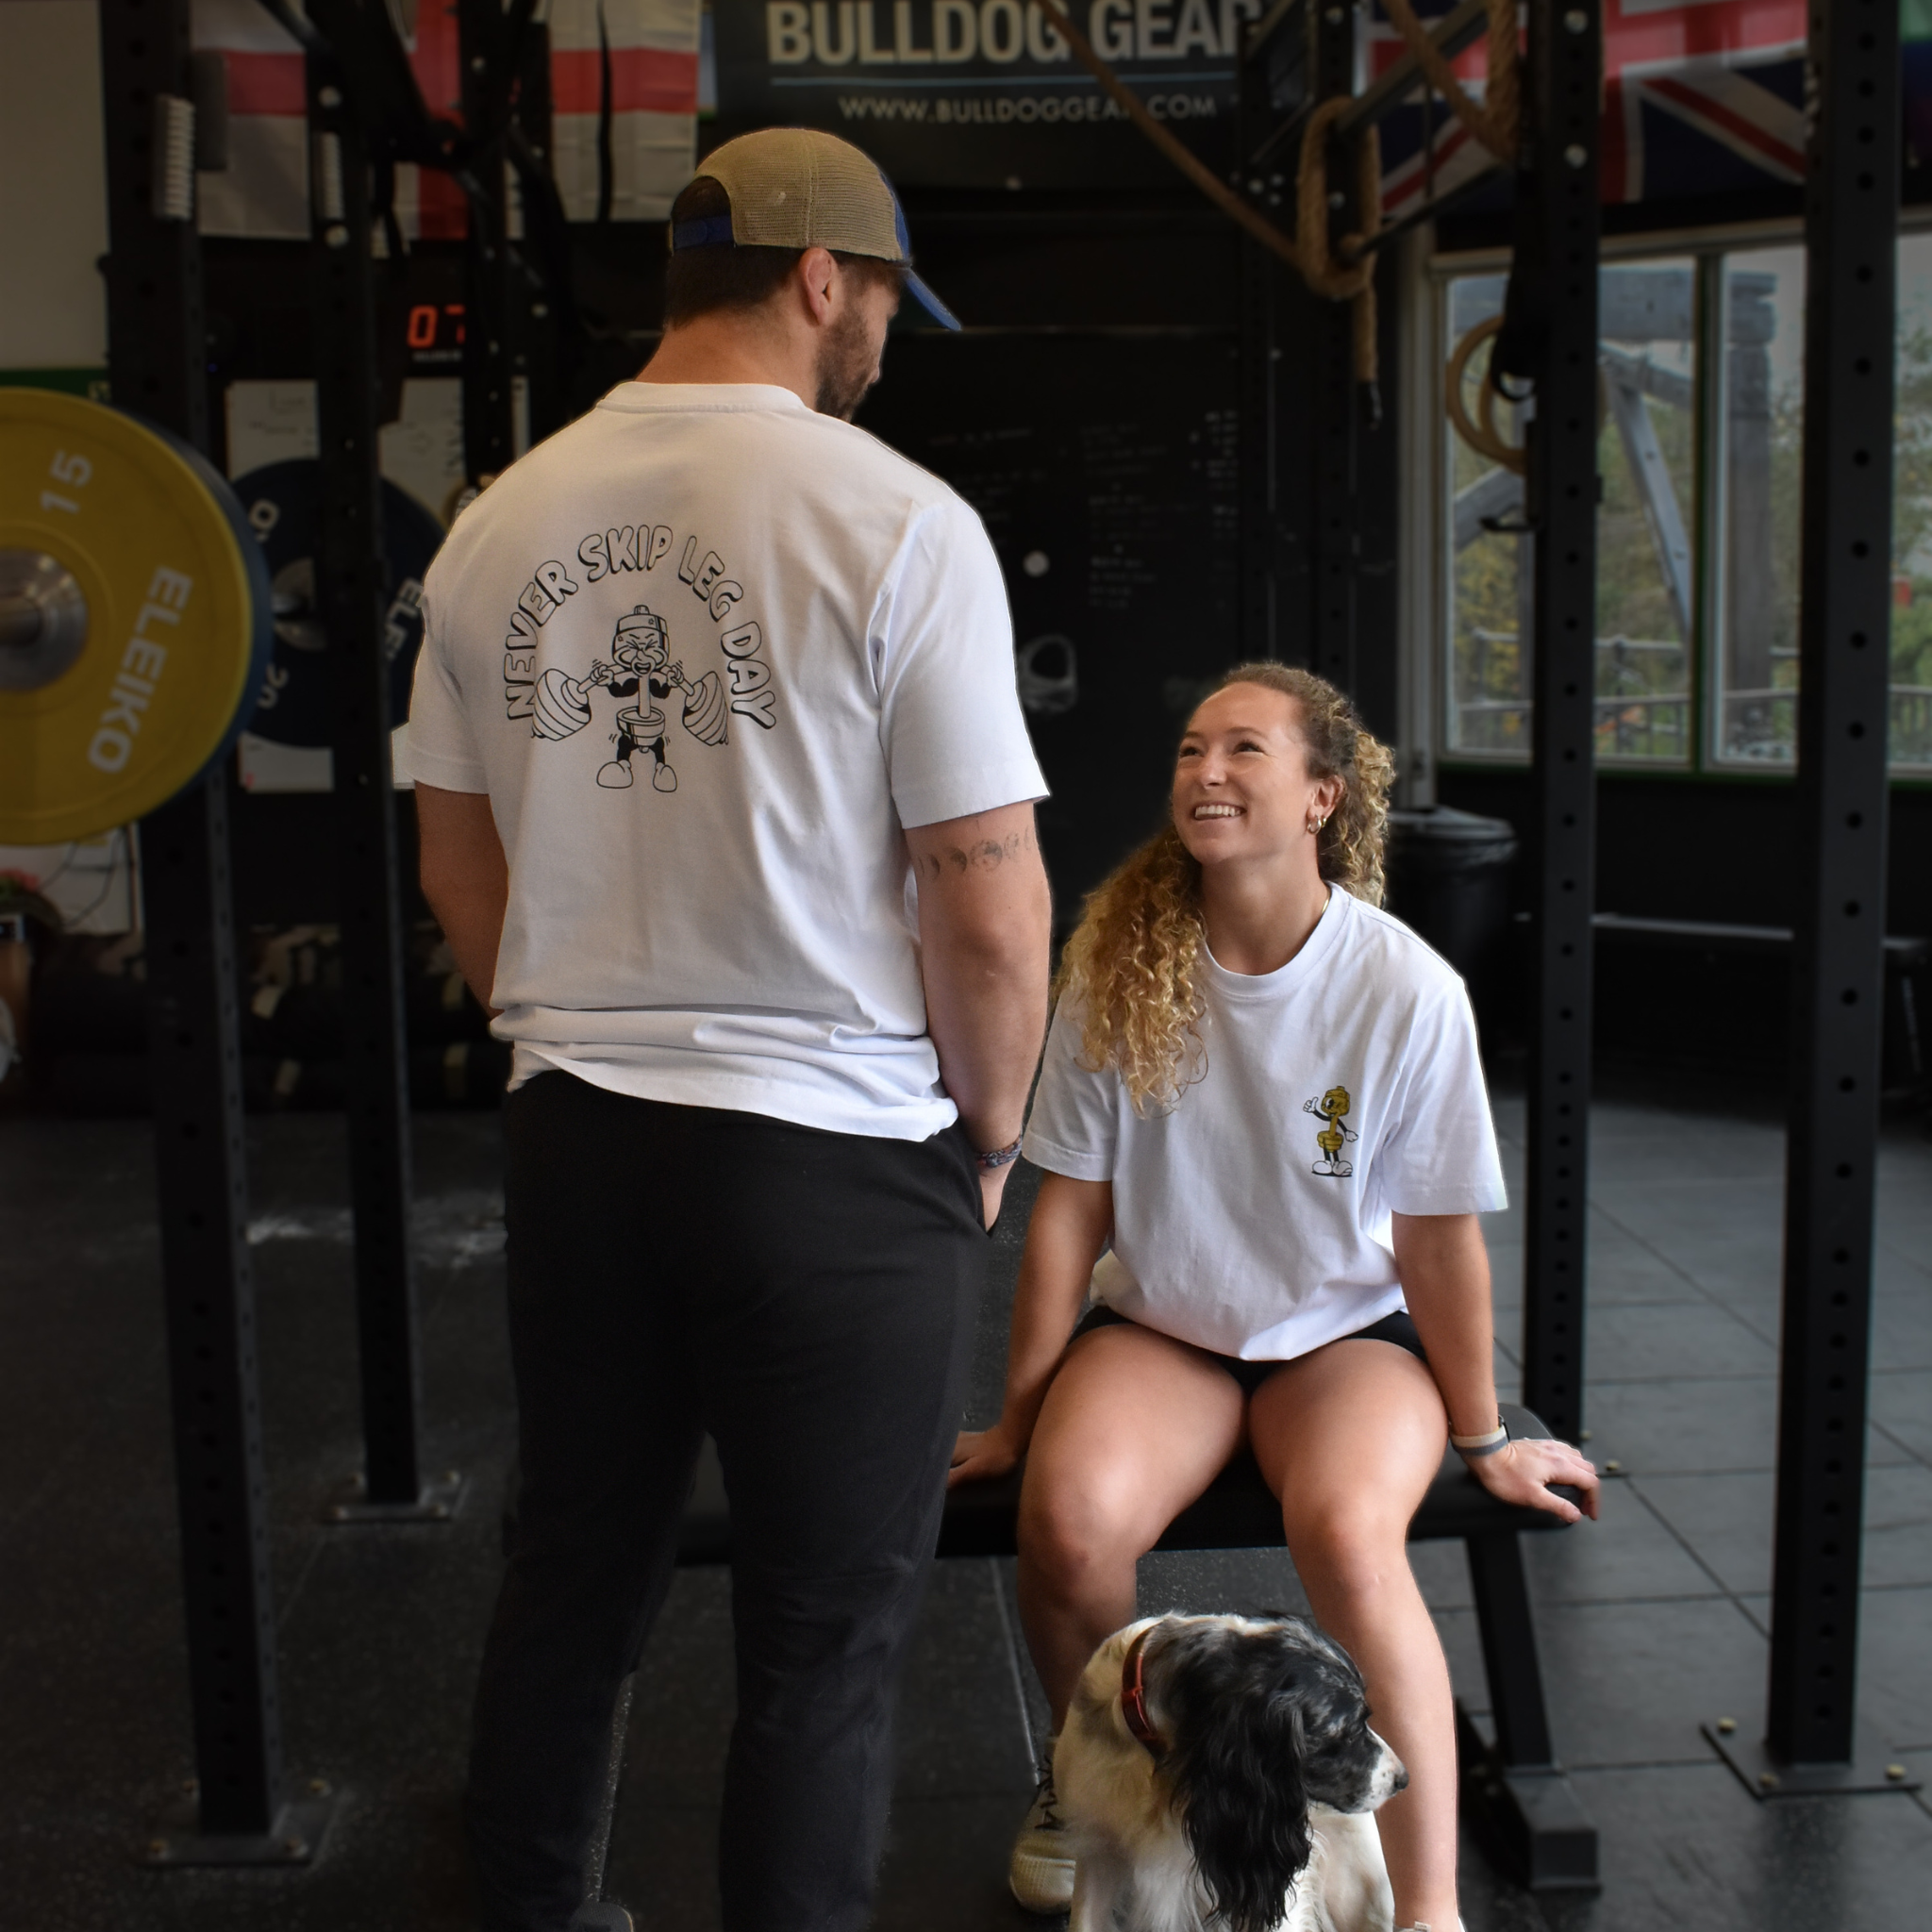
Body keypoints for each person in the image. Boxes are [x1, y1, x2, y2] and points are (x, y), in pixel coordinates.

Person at [409, 127, 1053, 1932]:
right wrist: (986, 1136)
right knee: (822, 1640)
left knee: (573, 1576)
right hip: (834, 1150)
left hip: (580, 1137)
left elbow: (457, 864)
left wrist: (570, 1026)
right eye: (879, 309)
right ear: (821, 280)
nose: (881, 348)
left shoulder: (496, 523)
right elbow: (989, 886)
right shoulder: (895, 517)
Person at [949, 663, 1598, 1930]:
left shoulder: (1403, 986)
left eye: (1245, 749)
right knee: (1068, 1522)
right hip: (1166, 1332)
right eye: (1193, 749)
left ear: (1321, 797)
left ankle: (1426, 1905)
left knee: (1352, 1540)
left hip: (1344, 1339)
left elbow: (1436, 1240)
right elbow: (1068, 1215)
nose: (1206, 772)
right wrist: (1018, 1423)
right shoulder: (1120, 968)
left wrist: (1484, 1437)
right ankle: (1093, 1797)